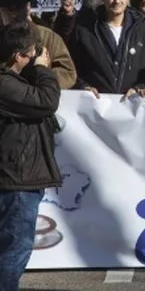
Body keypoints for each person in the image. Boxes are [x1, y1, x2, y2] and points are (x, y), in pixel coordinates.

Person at [0, 23, 62, 290]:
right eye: (32, 52)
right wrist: (43, 69)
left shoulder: (13, 80)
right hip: (15, 180)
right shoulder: (5, 84)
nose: (36, 55)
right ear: (18, 56)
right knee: (15, 249)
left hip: (18, 177)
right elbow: (46, 100)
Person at [70, 0, 145, 98]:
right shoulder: (85, 30)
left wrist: (141, 86)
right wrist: (83, 86)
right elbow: (71, 68)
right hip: (95, 109)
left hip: (133, 108)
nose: (117, 1)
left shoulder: (144, 32)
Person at [0, 0, 76, 90]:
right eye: (10, 10)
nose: (14, 15)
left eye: (19, 8)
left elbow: (68, 73)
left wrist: (41, 75)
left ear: (28, 8)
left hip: (40, 99)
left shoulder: (48, 37)